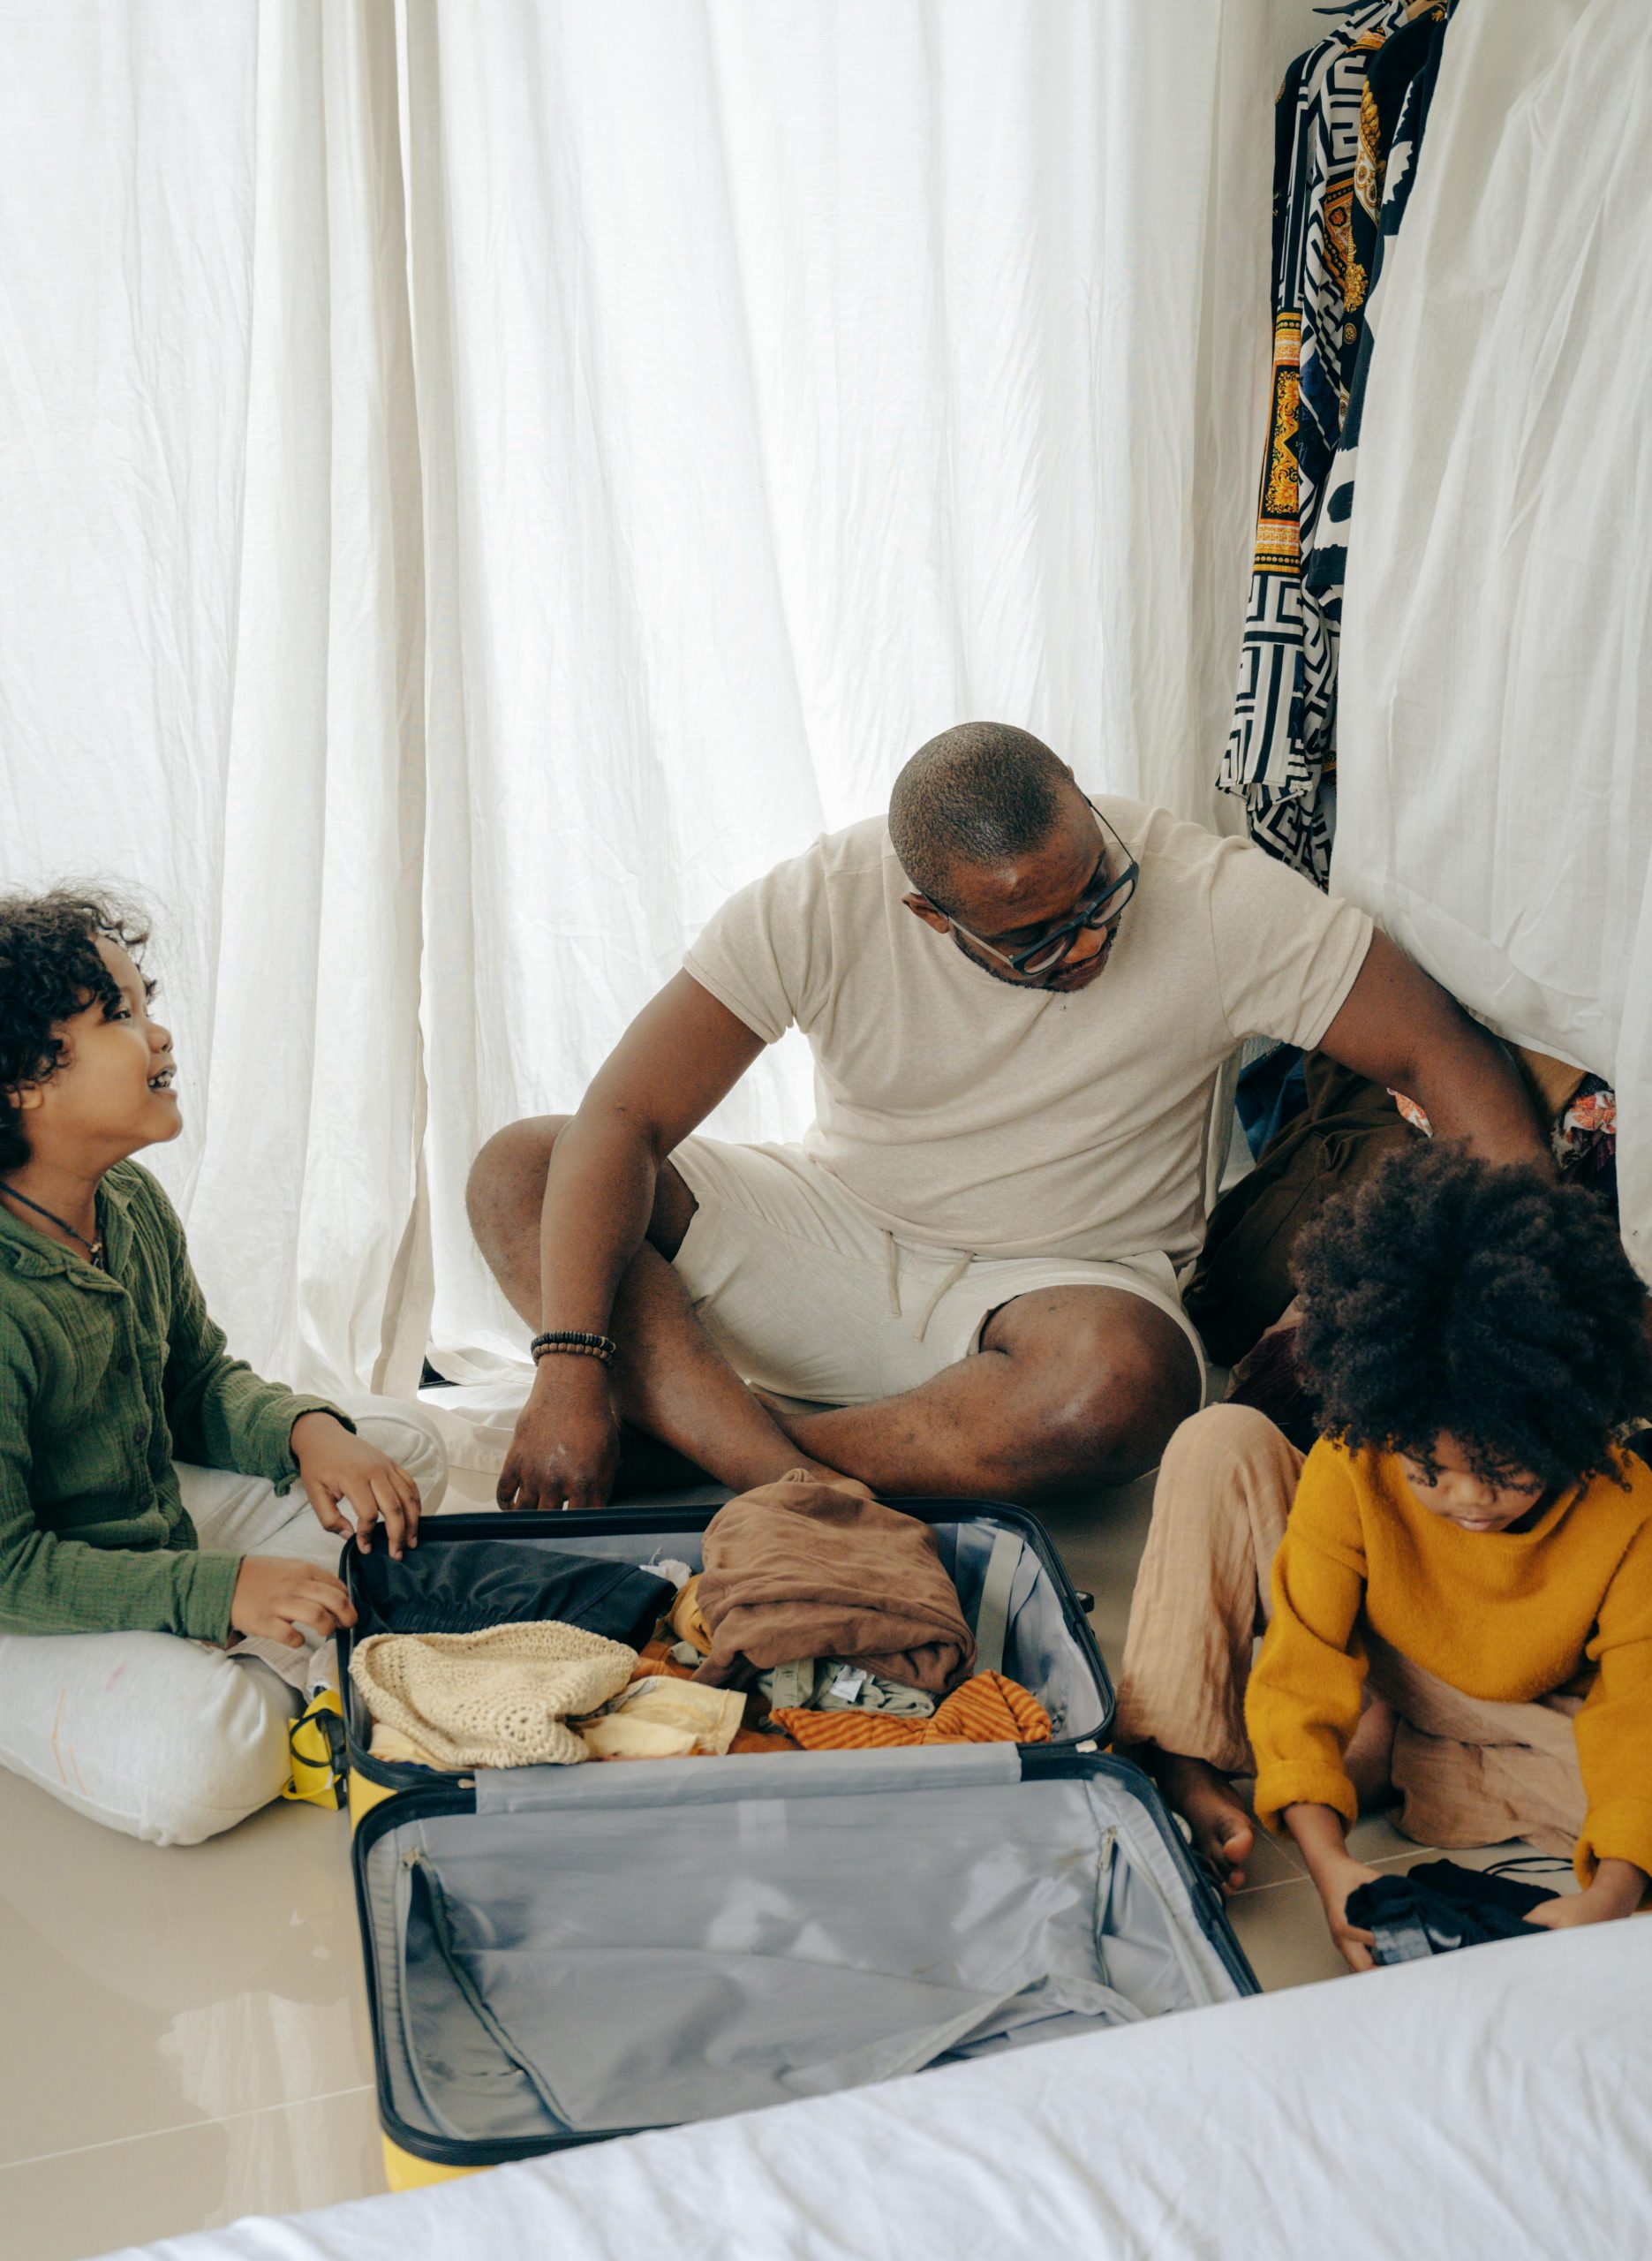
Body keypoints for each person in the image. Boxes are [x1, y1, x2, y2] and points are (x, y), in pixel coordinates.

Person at [470, 722, 1547, 1511]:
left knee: (1123, 1390)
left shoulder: (1212, 894)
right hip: (838, 1233)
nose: (1081, 945)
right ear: (925, 912)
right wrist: (567, 1362)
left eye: (1095, 898)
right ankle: (775, 1470)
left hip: (1064, 1288)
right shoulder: (822, 899)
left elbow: (1437, 1052)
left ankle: (722, 1446)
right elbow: (622, 1115)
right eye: (1031, 939)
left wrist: (1531, 1295)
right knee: (524, 1164)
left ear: (1079, 798)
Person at [1115, 1142, 1652, 1967]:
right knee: (1217, 1440)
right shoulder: (1353, 1457)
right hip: (1384, 1656)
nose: (1468, 1501)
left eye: (1505, 1474)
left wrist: (1611, 1895)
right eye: (1430, 1474)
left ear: (1570, 1426)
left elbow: (1635, 1719)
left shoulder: (1627, 1507)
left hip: (1520, 1712)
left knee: (1635, 1813)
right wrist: (1330, 1869)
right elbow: (1302, 1660)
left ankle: (1388, 1753)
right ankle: (1184, 1761)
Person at [0, 889, 447, 1844]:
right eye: (116, 1014)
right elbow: (9, 1562)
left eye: (142, 1004)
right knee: (206, 1760)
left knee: (397, 1449)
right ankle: (272, 1674)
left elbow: (196, 1384)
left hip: (139, 1522)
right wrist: (217, 1589)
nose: (157, 1037)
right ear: (21, 1080)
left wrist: (306, 1430)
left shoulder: (127, 1202)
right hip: (20, 1593)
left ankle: (265, 1661)